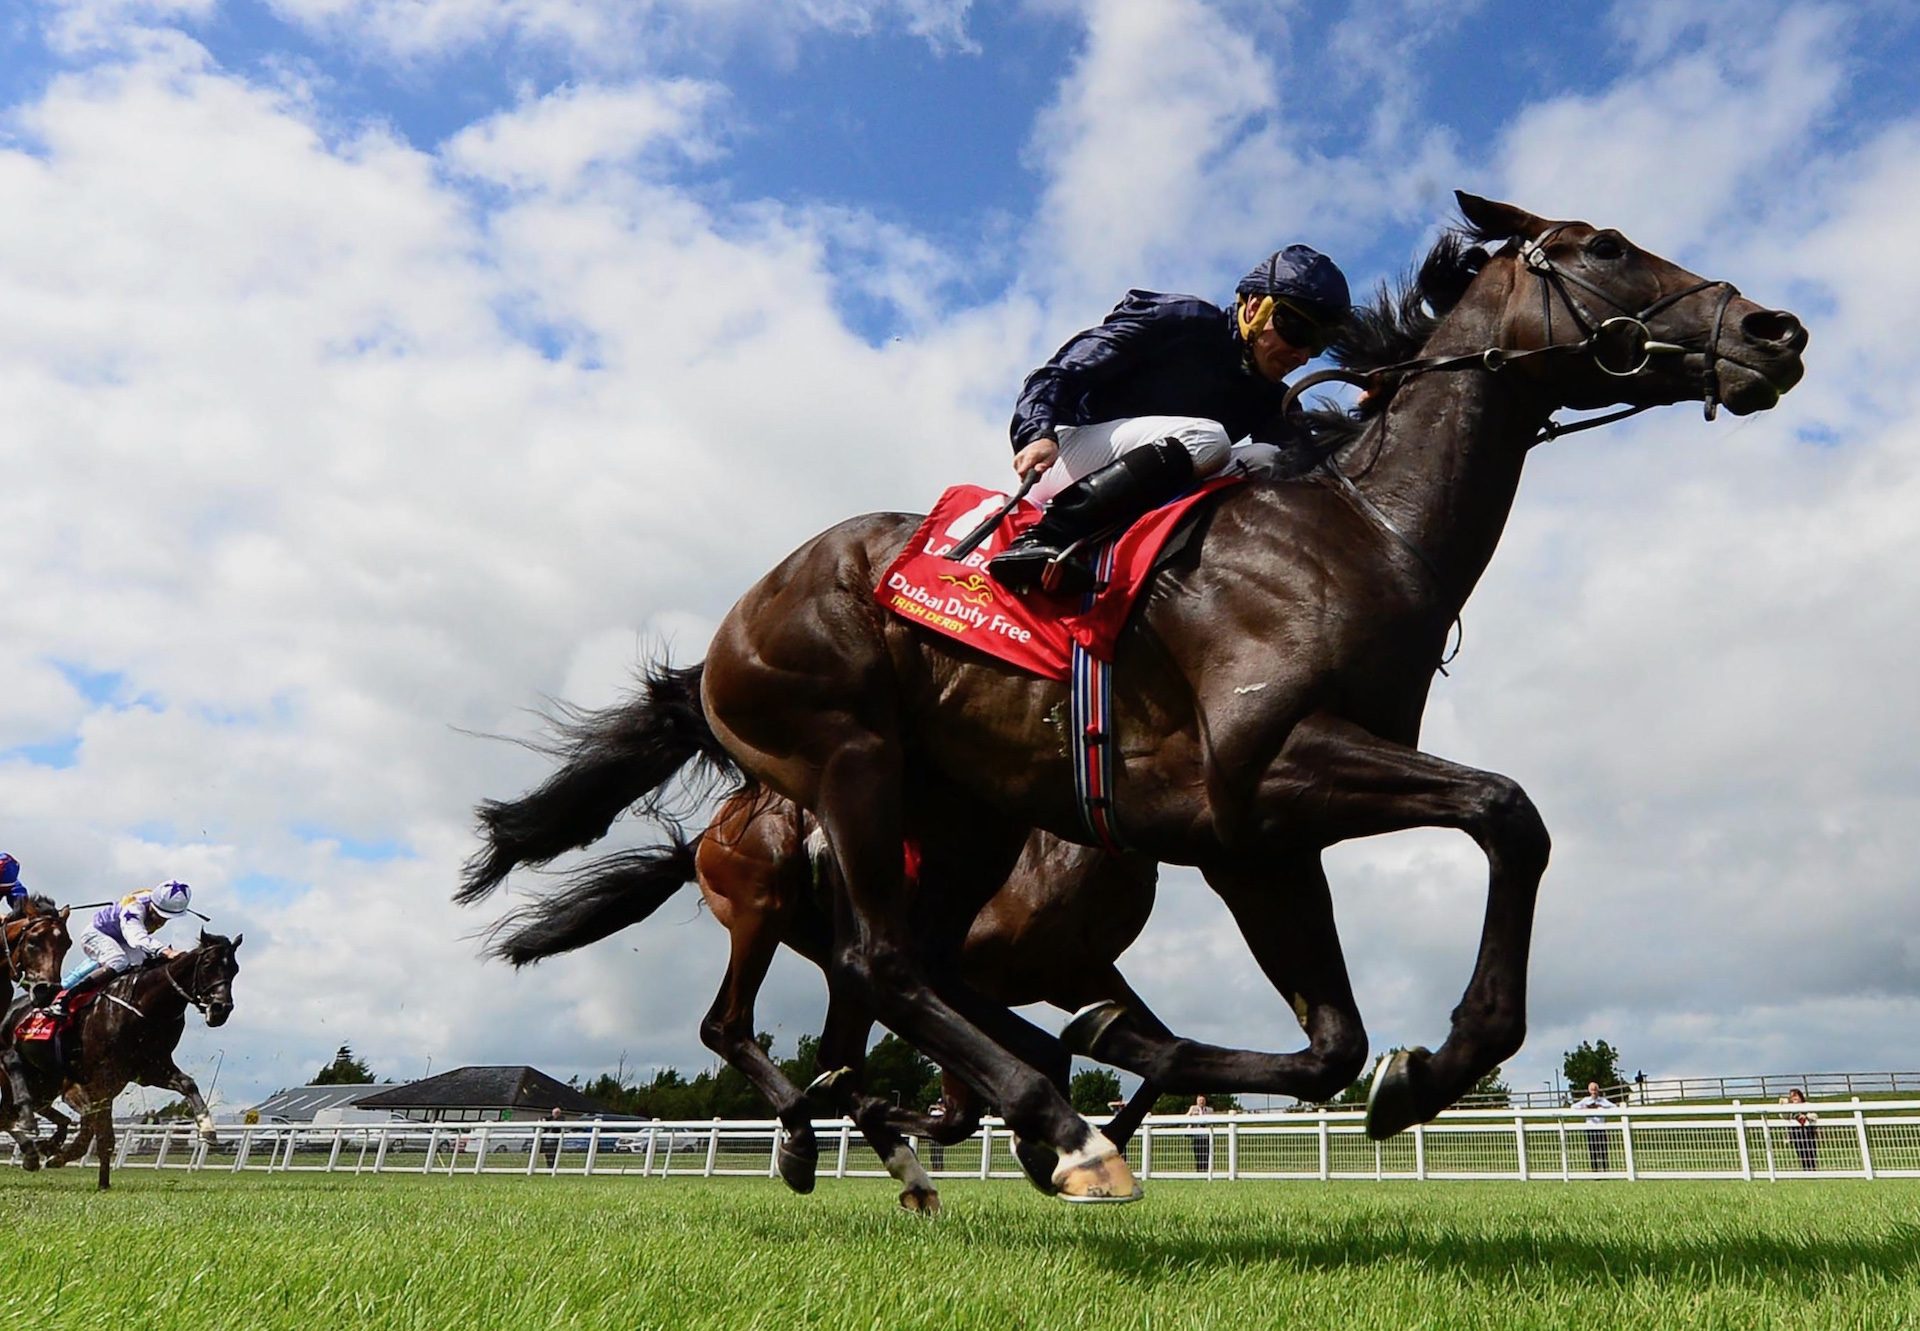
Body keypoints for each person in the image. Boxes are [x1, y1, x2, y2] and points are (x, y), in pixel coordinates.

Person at [988, 245, 1352, 594]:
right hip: (1065, 462)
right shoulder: (1181, 319)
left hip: (1144, 494)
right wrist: (1036, 431)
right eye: (1297, 331)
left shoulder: (1275, 399)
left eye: (1316, 345)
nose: (1303, 355)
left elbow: (1316, 472)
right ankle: (1043, 538)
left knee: (1270, 460)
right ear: (1254, 305)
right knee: (1209, 438)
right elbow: (1058, 374)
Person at [46, 879, 192, 1017]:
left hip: (122, 940)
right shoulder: (135, 908)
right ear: (152, 904)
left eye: (166, 917)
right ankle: (64, 1000)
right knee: (118, 961)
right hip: (97, 934)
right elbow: (136, 937)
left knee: (144, 965)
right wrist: (166, 951)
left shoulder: (159, 900)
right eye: (158, 914)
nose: (161, 919)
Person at [1571, 1081, 1616, 1172]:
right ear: (1589, 1090)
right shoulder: (1585, 1100)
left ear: (1598, 1090)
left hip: (1601, 1128)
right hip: (1590, 1128)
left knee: (1603, 1150)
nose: (1594, 1092)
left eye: (1595, 1089)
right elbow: (1573, 1107)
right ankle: (1594, 1171)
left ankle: (1605, 1170)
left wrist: (1602, 1108)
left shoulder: (1603, 1101)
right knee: (1593, 1150)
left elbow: (1614, 1107)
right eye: (1592, 1090)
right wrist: (1585, 1108)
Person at [1782, 1088, 1819, 1170]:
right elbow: (1784, 1116)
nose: (1794, 1098)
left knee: (1811, 1151)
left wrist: (1806, 1116)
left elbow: (1815, 1115)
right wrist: (1783, 1106)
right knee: (1800, 1152)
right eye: (1791, 1096)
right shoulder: (1790, 1107)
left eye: (1795, 1095)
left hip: (1808, 1132)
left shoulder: (1807, 1105)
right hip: (1796, 1132)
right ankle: (1805, 1170)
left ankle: (1813, 1170)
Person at [1187, 1093, 1212, 1175]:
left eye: (1203, 1100)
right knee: (1198, 1154)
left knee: (1206, 1154)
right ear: (1197, 1101)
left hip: (1206, 1136)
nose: (1201, 1102)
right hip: (1196, 1135)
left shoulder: (1209, 1110)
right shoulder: (1193, 1108)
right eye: (1200, 1100)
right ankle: (1199, 1172)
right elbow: (1187, 1117)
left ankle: (1206, 1172)